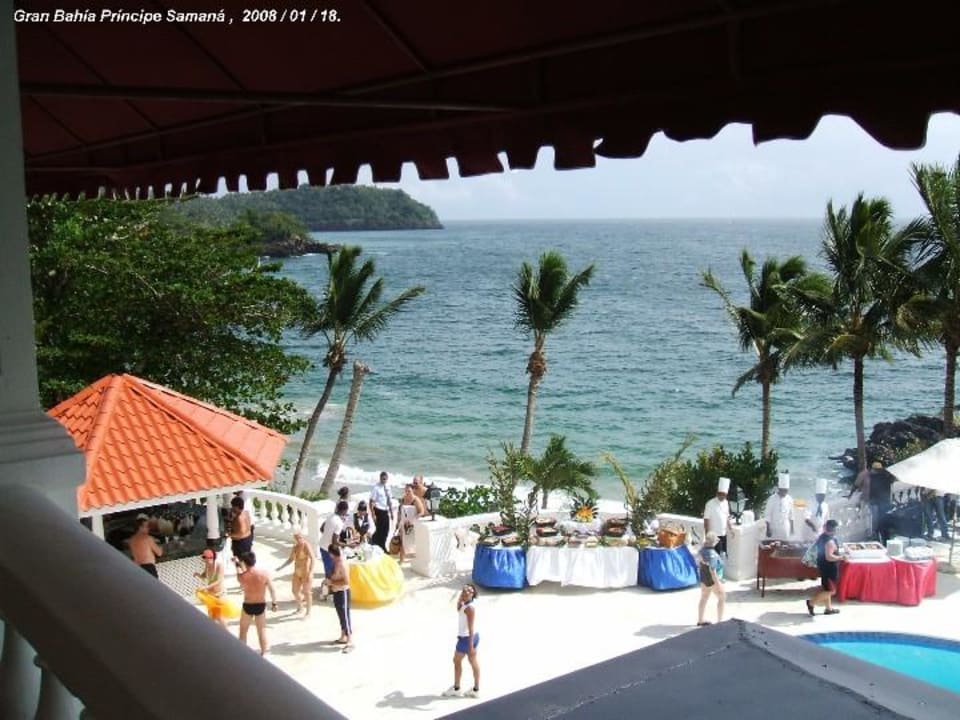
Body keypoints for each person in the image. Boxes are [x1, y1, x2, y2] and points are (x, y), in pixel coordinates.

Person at [235, 551, 277, 656]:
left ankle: (242, 653)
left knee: (243, 631)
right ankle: (264, 653)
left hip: (248, 605)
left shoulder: (242, 577)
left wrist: (237, 564)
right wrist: (274, 603)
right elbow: (272, 590)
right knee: (261, 631)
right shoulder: (264, 574)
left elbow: (240, 575)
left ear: (245, 562)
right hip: (260, 605)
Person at [442, 583, 480, 698]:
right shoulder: (465, 604)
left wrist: (471, 647)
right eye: (464, 590)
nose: (465, 592)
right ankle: (475, 689)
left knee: (457, 661)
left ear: (472, 594)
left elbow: (471, 627)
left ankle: (457, 688)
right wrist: (461, 597)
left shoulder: (470, 608)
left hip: (467, 639)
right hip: (472, 637)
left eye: (468, 591)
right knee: (472, 661)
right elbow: (458, 608)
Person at [806, 519, 845, 616]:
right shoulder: (830, 541)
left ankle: (828, 608)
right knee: (831, 590)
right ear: (834, 529)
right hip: (829, 568)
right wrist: (841, 557)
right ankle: (811, 603)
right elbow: (829, 557)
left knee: (826, 588)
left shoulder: (822, 537)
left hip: (823, 566)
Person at [276, 531, 316, 616]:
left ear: (302, 537)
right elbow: (290, 559)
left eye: (299, 537)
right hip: (297, 572)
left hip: (306, 572)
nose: (298, 539)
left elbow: (313, 558)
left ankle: (308, 612)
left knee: (307, 592)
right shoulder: (295, 547)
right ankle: (300, 607)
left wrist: (311, 572)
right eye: (296, 538)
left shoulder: (306, 545)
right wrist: (281, 567)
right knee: (295, 591)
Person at [327, 543, 353, 652]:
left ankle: (350, 640)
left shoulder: (341, 564)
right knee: (340, 615)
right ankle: (343, 636)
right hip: (337, 591)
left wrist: (331, 582)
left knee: (345, 616)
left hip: (343, 592)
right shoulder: (336, 562)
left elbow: (346, 581)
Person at [696, 531, 725, 626]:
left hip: (704, 579)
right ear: (714, 542)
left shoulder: (702, 550)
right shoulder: (712, 554)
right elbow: (712, 570)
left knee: (704, 598)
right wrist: (718, 584)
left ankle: (700, 620)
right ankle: (720, 622)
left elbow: (699, 561)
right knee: (722, 598)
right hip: (712, 580)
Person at [194, 548, 227, 628]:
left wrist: (205, 587)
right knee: (212, 616)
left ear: (212, 557)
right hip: (211, 595)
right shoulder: (207, 564)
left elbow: (219, 581)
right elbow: (205, 575)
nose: (205, 560)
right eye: (204, 558)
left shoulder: (219, 565)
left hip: (220, 594)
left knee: (220, 617)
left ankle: (227, 635)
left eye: (208, 558)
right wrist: (198, 575)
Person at [319, 500, 350, 576]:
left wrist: (328, 534)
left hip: (322, 545)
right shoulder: (339, 523)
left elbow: (321, 529)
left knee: (329, 570)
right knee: (331, 572)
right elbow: (334, 542)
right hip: (328, 550)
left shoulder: (330, 516)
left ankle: (329, 585)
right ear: (344, 510)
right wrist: (348, 545)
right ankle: (328, 586)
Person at [702, 476, 731, 556]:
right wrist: (707, 535)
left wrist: (730, 528)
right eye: (721, 494)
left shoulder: (726, 503)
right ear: (717, 493)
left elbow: (726, 516)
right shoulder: (710, 504)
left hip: (723, 533)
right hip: (714, 535)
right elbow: (706, 520)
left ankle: (721, 568)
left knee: (724, 554)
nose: (722, 496)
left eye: (724, 495)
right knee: (715, 555)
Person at [399, 483, 426, 560]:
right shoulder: (403, 499)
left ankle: (416, 559)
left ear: (413, 491)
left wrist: (413, 520)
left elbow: (422, 512)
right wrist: (398, 521)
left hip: (413, 524)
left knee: (413, 542)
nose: (407, 492)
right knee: (402, 541)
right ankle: (402, 559)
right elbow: (400, 511)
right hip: (403, 523)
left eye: (409, 491)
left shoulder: (416, 500)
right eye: (406, 491)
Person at [764, 472, 795, 539]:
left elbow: (791, 515)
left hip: (785, 529)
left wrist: (792, 529)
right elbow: (767, 515)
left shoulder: (790, 499)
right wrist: (768, 529)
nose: (784, 493)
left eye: (786, 491)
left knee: (784, 547)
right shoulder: (772, 499)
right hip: (774, 529)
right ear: (779, 489)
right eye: (783, 490)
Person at [370, 471, 394, 552]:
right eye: (383, 479)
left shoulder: (388, 486)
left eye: (385, 479)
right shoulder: (376, 488)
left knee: (386, 530)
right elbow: (371, 501)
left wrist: (391, 512)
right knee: (380, 530)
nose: (384, 480)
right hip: (379, 510)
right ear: (380, 478)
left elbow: (389, 500)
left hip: (385, 510)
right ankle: (380, 546)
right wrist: (373, 514)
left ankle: (380, 543)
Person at [803, 477, 831, 542]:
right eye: (820, 495)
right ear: (816, 495)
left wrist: (827, 532)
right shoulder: (810, 503)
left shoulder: (825, 505)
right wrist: (813, 526)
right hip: (809, 533)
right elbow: (806, 518)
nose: (822, 497)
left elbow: (827, 520)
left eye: (823, 495)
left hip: (820, 533)